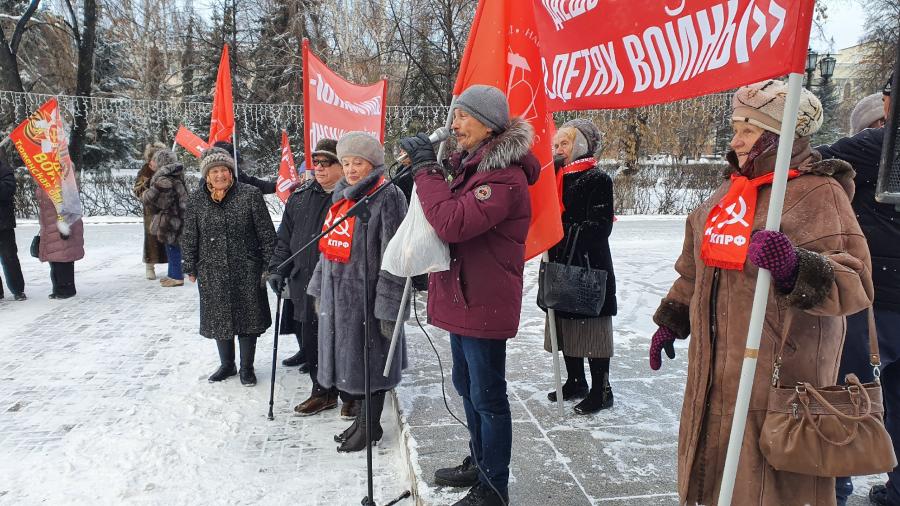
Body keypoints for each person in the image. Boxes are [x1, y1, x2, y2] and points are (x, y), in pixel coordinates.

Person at [648, 80, 874, 505]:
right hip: (715, 380)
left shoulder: (816, 192)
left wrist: (796, 268)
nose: (735, 141)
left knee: (767, 490)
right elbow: (694, 270)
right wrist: (673, 318)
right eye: (736, 128)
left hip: (779, 385)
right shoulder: (727, 194)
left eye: (746, 131)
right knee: (716, 486)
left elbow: (856, 283)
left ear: (777, 134)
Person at [399, 84, 540, 506]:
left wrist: (426, 170)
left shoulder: (504, 176)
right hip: (463, 296)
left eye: (461, 116)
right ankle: (479, 462)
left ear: (488, 123)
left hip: (485, 299)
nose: (453, 124)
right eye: (454, 115)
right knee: (466, 384)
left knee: (488, 395)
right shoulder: (469, 168)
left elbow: (453, 224)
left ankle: (493, 487)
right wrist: (428, 171)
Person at [816, 75, 900, 506]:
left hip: (876, 300)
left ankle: (835, 487)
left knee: (847, 392)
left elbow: (811, 159)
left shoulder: (879, 143)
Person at [306, 131, 408, 453]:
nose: (350, 169)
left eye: (357, 163)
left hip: (369, 298)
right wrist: (320, 287)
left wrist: (389, 306)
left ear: (373, 164)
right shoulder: (342, 197)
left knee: (372, 363)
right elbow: (327, 249)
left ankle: (370, 426)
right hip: (341, 298)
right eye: (346, 162)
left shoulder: (386, 196)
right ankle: (364, 422)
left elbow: (395, 255)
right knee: (356, 364)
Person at [181, 147, 276, 386]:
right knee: (219, 319)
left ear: (231, 171)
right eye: (214, 171)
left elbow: (266, 233)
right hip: (211, 270)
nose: (220, 175)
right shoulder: (196, 200)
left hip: (247, 267)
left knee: (248, 319)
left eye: (224, 169)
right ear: (206, 175)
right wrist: (190, 264)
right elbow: (190, 235)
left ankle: (247, 367)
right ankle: (227, 365)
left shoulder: (250, 194)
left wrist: (270, 264)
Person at [542, 119, 617, 415]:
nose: (558, 149)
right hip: (559, 261)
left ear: (581, 146)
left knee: (592, 330)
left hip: (589, 266)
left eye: (565, 144)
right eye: (556, 144)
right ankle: (576, 381)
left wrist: (559, 230)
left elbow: (599, 227)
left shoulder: (597, 179)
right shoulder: (554, 177)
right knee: (563, 325)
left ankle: (602, 389)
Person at [268, 138, 345, 416]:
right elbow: (284, 240)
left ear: (342, 165)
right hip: (305, 284)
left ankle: (351, 396)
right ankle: (322, 392)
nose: (320, 169)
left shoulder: (353, 199)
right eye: (317, 163)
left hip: (340, 286)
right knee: (312, 342)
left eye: (328, 163)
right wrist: (278, 268)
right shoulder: (299, 198)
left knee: (343, 342)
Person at [139, 148, 189, 288]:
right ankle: (172, 274)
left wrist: (146, 194)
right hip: (179, 214)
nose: (152, 163)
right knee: (174, 246)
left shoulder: (162, 178)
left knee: (172, 247)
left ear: (160, 161)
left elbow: (162, 200)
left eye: (155, 160)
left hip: (170, 216)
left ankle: (176, 277)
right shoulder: (176, 174)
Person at [36, 187, 84, 299]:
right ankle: (58, 288)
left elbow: (69, 203)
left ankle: (66, 289)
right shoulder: (46, 178)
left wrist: (65, 224)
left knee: (63, 257)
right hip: (50, 224)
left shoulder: (64, 180)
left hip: (62, 224)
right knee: (55, 258)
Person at [133, 142, 167, 280]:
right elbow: (137, 190)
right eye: (153, 159)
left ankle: (175, 266)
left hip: (168, 208)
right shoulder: (145, 171)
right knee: (151, 238)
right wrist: (148, 189)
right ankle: (150, 266)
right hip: (151, 210)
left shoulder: (168, 170)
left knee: (171, 237)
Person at [0, 151, 26, 301]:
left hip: (3, 224)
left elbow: (8, 189)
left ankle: (18, 290)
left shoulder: (4, 170)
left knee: (9, 258)